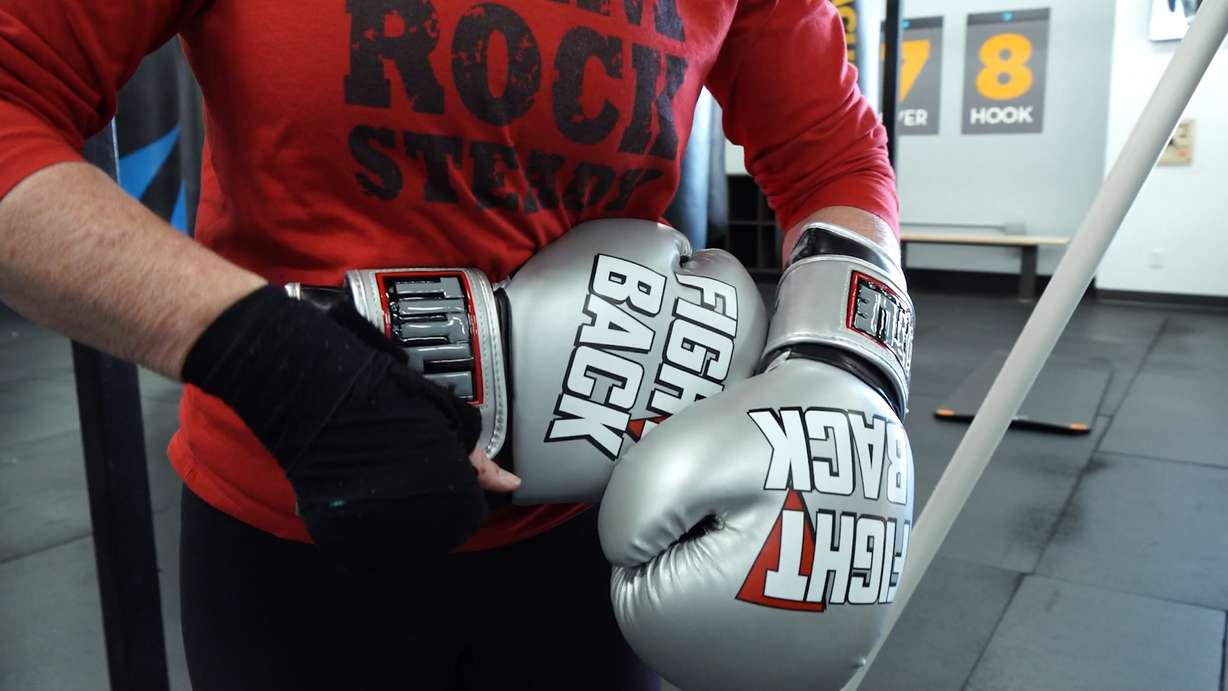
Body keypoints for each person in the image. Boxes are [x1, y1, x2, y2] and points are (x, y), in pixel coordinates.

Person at [0, 1, 899, 688]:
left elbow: (833, 156)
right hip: (296, 525)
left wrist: (844, 360)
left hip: (598, 524)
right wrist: (276, 362)